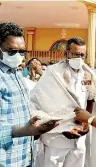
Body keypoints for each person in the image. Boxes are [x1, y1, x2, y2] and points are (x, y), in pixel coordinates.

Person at [30, 37, 95, 167]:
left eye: (82, 55)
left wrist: (86, 123)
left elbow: (90, 99)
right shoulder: (52, 73)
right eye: (75, 54)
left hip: (79, 136)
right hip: (56, 138)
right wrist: (63, 127)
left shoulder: (88, 74)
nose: (79, 58)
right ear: (66, 54)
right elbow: (37, 102)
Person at [0, 22, 58, 166]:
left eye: (22, 51)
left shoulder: (16, 73)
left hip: (24, 155)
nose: (18, 56)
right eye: (12, 51)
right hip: (5, 159)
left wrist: (38, 122)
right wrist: (24, 130)